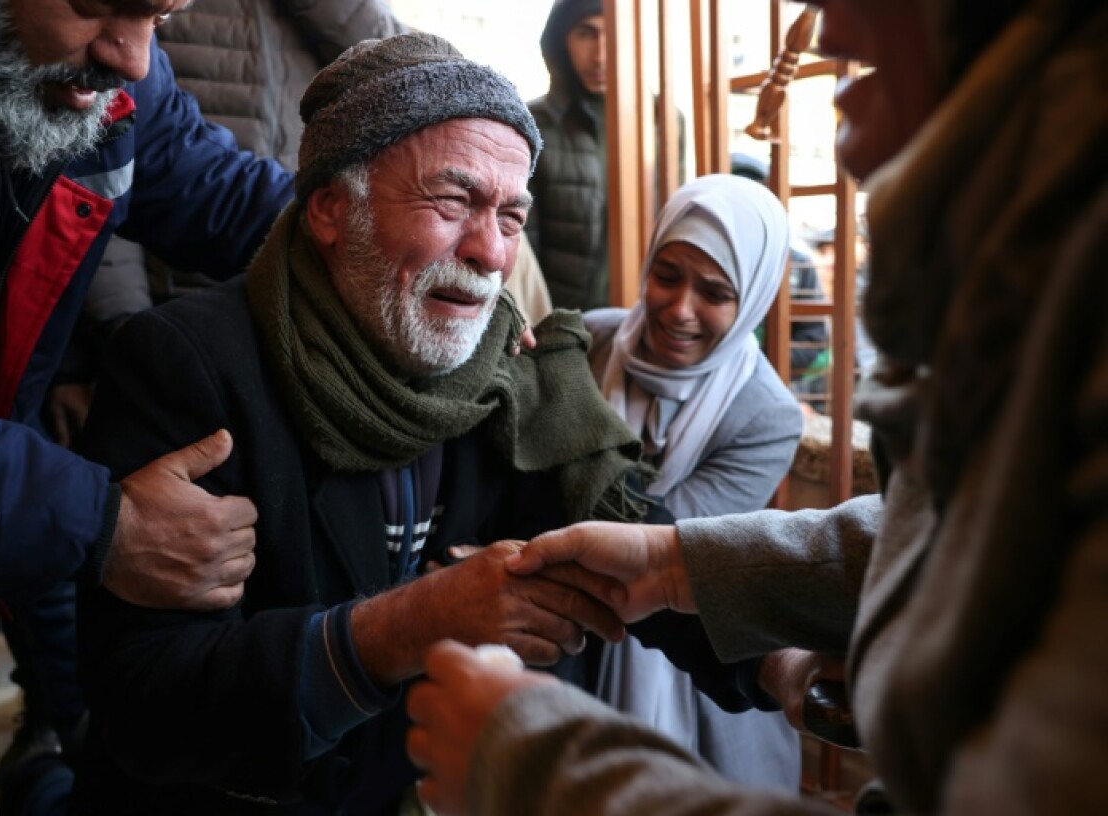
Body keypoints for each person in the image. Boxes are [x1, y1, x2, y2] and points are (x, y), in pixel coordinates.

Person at [405, 0, 1108, 813]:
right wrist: (673, 562)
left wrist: (533, 765)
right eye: (450, 203)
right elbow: (957, 527)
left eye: (717, 291)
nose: (825, 24)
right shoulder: (581, 339)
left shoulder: (1057, 328)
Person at [72, 32, 655, 814]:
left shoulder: (512, 375)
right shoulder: (188, 370)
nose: (489, 253)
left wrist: (773, 650)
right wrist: (404, 627)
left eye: (511, 217)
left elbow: (629, 540)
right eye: (452, 203)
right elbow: (144, 703)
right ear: (329, 209)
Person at [0, 0, 298, 810]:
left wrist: (384, 239)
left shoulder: (108, 81)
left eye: (161, 14)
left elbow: (221, 191)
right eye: (98, 6)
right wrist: (99, 522)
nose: (136, 58)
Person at [584, 173, 804, 789]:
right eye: (667, 274)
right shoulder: (588, 340)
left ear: (752, 300)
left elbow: (655, 549)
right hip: (569, 650)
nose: (680, 309)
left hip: (695, 666)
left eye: (714, 291)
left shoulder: (765, 417)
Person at [526, 0, 682, 311]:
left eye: (613, 34)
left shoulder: (662, 119)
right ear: (561, 39)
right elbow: (522, 243)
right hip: (557, 320)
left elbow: (673, 217)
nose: (600, 56)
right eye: (586, 34)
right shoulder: (534, 122)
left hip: (641, 314)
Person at [730, 151, 832, 411]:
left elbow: (814, 341)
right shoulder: (703, 258)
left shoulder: (794, 265)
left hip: (767, 393)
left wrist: (754, 366)